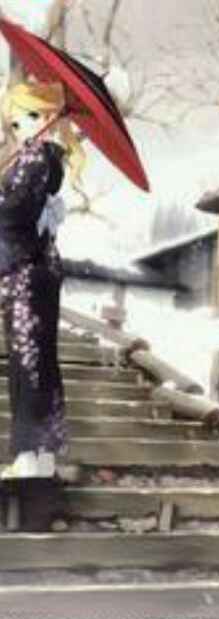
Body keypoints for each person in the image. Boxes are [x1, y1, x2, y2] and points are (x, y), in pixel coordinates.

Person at [0, 80, 86, 479]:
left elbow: (15, 215)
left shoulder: (37, 159)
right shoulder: (45, 159)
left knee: (27, 360)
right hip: (38, 269)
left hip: (25, 271)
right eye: (15, 121)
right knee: (40, 359)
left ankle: (28, 458)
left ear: (50, 117)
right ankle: (43, 456)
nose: (22, 127)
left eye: (31, 116)